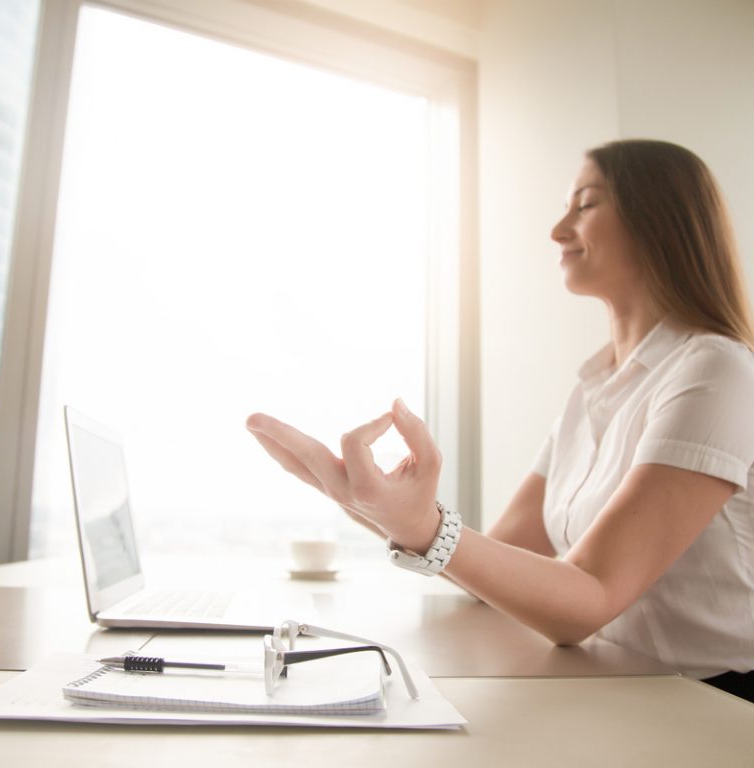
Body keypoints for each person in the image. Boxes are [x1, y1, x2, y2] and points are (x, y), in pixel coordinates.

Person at [246, 139, 754, 703]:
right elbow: (500, 561)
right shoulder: (591, 391)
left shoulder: (717, 372)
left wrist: (422, 526)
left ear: (660, 220)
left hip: (717, 704)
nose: (557, 230)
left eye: (585, 204)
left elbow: (590, 596)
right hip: (621, 685)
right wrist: (368, 503)